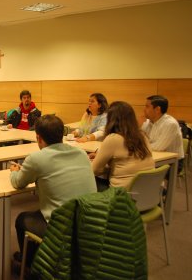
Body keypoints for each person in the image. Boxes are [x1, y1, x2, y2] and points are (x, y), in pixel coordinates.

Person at [9, 114, 96, 269]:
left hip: (63, 226)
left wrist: (14, 171)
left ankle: (29, 266)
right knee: (38, 213)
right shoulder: (81, 154)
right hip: (90, 220)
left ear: (38, 138)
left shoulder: (36, 158)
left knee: (23, 219)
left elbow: (18, 183)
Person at [90, 101, 155, 191]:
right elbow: (128, 162)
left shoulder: (113, 138)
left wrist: (103, 163)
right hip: (148, 194)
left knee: (87, 181)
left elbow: (95, 170)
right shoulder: (143, 136)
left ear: (111, 120)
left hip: (123, 197)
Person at [141, 95, 184, 172]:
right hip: (152, 158)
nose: (144, 109)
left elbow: (159, 147)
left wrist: (141, 146)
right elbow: (139, 141)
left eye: (147, 107)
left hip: (172, 162)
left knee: (137, 170)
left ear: (157, 109)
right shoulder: (148, 122)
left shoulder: (170, 124)